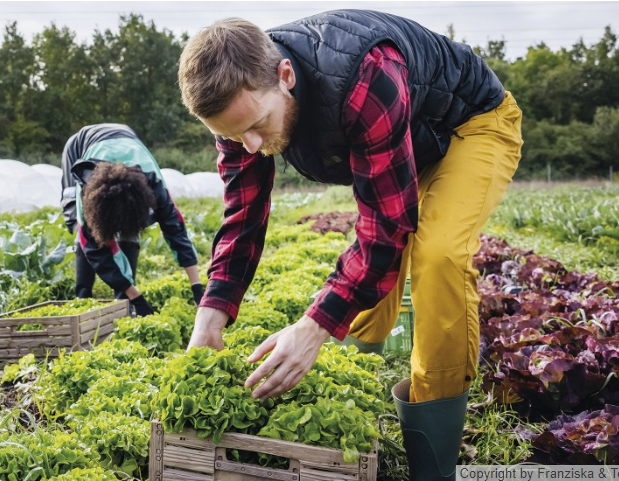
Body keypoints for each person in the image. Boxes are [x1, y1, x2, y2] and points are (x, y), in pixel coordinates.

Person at [179, 11, 522, 481]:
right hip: (406, 142)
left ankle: (433, 456)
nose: (251, 145)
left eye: (257, 124)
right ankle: (353, 385)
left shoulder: (363, 75)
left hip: (470, 124)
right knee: (368, 263)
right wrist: (210, 314)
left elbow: (387, 226)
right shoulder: (242, 110)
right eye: (233, 136)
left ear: (285, 76)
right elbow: (243, 215)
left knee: (437, 254)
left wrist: (314, 326)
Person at [60, 123, 204, 316]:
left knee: (129, 234)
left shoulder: (153, 182)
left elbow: (175, 230)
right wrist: (137, 296)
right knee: (86, 235)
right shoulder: (88, 189)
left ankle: (124, 300)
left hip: (128, 139)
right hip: (79, 147)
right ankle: (83, 297)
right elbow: (91, 245)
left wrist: (197, 288)